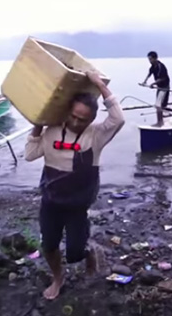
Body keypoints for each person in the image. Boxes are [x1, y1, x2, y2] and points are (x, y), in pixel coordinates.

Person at [24, 71, 125, 300]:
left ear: (91, 120)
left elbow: (118, 119)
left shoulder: (97, 136)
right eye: (74, 116)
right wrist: (38, 125)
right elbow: (30, 154)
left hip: (78, 205)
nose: (77, 122)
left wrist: (99, 84)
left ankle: (88, 253)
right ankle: (58, 277)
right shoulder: (51, 132)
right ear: (67, 111)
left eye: (83, 119)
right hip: (51, 201)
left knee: (74, 252)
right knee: (49, 245)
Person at [140, 51, 170, 127]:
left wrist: (153, 83)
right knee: (158, 105)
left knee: (158, 105)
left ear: (155, 58)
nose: (149, 61)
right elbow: (149, 74)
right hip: (159, 87)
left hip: (164, 87)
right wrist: (144, 81)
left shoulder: (161, 66)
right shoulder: (153, 67)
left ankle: (160, 122)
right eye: (148, 59)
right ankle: (159, 121)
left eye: (150, 59)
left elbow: (162, 78)